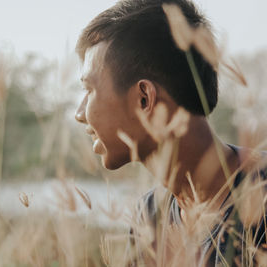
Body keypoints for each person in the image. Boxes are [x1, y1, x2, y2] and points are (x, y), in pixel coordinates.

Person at [74, 0, 267, 265]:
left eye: (89, 90)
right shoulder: (148, 219)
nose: (79, 113)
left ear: (144, 98)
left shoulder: (262, 198)